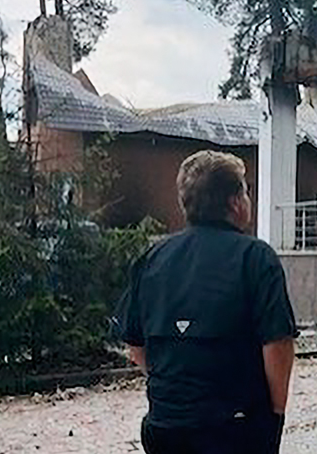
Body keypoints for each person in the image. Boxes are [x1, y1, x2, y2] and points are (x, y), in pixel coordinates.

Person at [117, 150, 298, 454]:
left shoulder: (151, 259)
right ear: (234, 202)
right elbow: (277, 344)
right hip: (234, 427)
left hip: (164, 428)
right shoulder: (255, 258)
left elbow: (136, 348)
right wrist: (274, 414)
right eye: (246, 190)